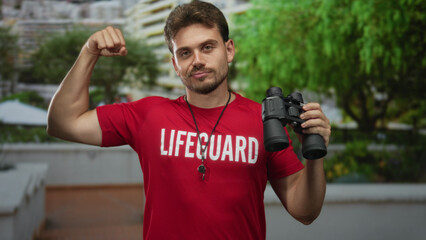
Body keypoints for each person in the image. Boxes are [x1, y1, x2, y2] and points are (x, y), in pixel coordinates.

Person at [47, 1, 331, 239]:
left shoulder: (263, 121)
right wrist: (89, 52)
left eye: (208, 47)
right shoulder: (148, 114)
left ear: (228, 50)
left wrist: (314, 155)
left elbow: (304, 212)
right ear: (175, 64)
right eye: (185, 52)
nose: (197, 60)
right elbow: (63, 122)